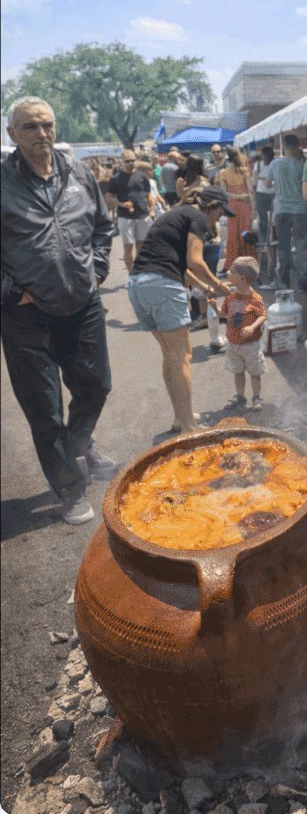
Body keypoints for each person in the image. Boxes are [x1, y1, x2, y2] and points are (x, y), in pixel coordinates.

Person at [1, 97, 116, 525]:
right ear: (12, 134)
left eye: (46, 124)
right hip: (25, 315)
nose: (41, 134)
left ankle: (79, 445)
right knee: (44, 407)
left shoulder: (78, 172)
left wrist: (98, 271)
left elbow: (103, 228)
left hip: (82, 302)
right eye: (29, 127)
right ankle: (69, 487)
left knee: (96, 386)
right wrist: (14, 294)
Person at [126, 185, 235, 433]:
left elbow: (181, 267)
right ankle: (189, 425)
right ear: (212, 206)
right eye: (219, 213)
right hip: (162, 285)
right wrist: (218, 285)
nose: (218, 220)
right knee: (182, 356)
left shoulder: (177, 215)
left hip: (138, 286)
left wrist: (206, 290)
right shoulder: (197, 217)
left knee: (170, 355)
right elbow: (195, 262)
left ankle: (180, 418)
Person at [220, 256, 268, 412]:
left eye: (231, 271)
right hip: (233, 343)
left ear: (241, 278)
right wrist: (212, 304)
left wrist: (253, 327)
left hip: (251, 345)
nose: (227, 272)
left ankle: (256, 397)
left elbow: (262, 315)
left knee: (255, 373)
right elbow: (223, 314)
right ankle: (240, 396)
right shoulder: (230, 296)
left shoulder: (255, 298)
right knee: (237, 371)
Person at [266, 133, 307, 292]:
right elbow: (305, 188)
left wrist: (280, 186)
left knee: (283, 248)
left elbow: (268, 183)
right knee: (301, 248)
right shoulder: (302, 166)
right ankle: (303, 283)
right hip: (300, 210)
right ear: (297, 148)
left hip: (281, 210)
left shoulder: (274, 164)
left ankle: (285, 284)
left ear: (283, 147)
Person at [106, 149, 155, 272]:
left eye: (133, 160)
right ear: (122, 161)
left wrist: (152, 210)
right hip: (125, 217)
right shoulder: (115, 178)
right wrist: (121, 204)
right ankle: (131, 276)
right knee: (128, 249)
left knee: (142, 248)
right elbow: (109, 197)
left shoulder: (142, 176)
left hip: (143, 216)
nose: (130, 163)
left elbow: (149, 195)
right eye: (127, 161)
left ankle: (139, 274)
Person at [217, 147, 256, 271]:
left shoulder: (223, 172)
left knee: (233, 234)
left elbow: (224, 193)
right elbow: (250, 190)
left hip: (232, 205)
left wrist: (237, 197)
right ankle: (249, 262)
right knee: (245, 232)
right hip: (245, 205)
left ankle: (232, 263)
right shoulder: (245, 170)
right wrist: (253, 208)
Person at [253, 145, 276, 242]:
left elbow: (255, 178)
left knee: (268, 218)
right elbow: (255, 178)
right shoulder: (258, 164)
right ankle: (267, 237)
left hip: (267, 193)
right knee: (266, 218)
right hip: (265, 193)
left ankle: (268, 237)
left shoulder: (273, 164)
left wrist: (261, 178)